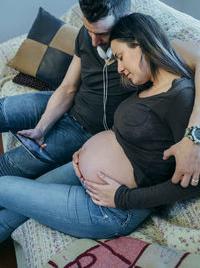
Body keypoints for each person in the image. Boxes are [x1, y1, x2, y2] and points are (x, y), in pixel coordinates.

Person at [0, 13, 199, 243]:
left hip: (109, 209)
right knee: (12, 214)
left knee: (4, 185)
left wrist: (123, 198)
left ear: (141, 42)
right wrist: (86, 151)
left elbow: (193, 184)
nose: (121, 68)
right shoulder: (147, 85)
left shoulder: (181, 97)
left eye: (121, 57)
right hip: (84, 175)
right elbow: (129, 139)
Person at [0, 0, 199, 188]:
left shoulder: (147, 46)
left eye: (102, 34)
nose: (93, 41)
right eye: (89, 30)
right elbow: (68, 88)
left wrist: (194, 136)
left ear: (125, 20)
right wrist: (41, 127)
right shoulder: (87, 36)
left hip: (85, 130)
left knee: (10, 166)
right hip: (65, 102)